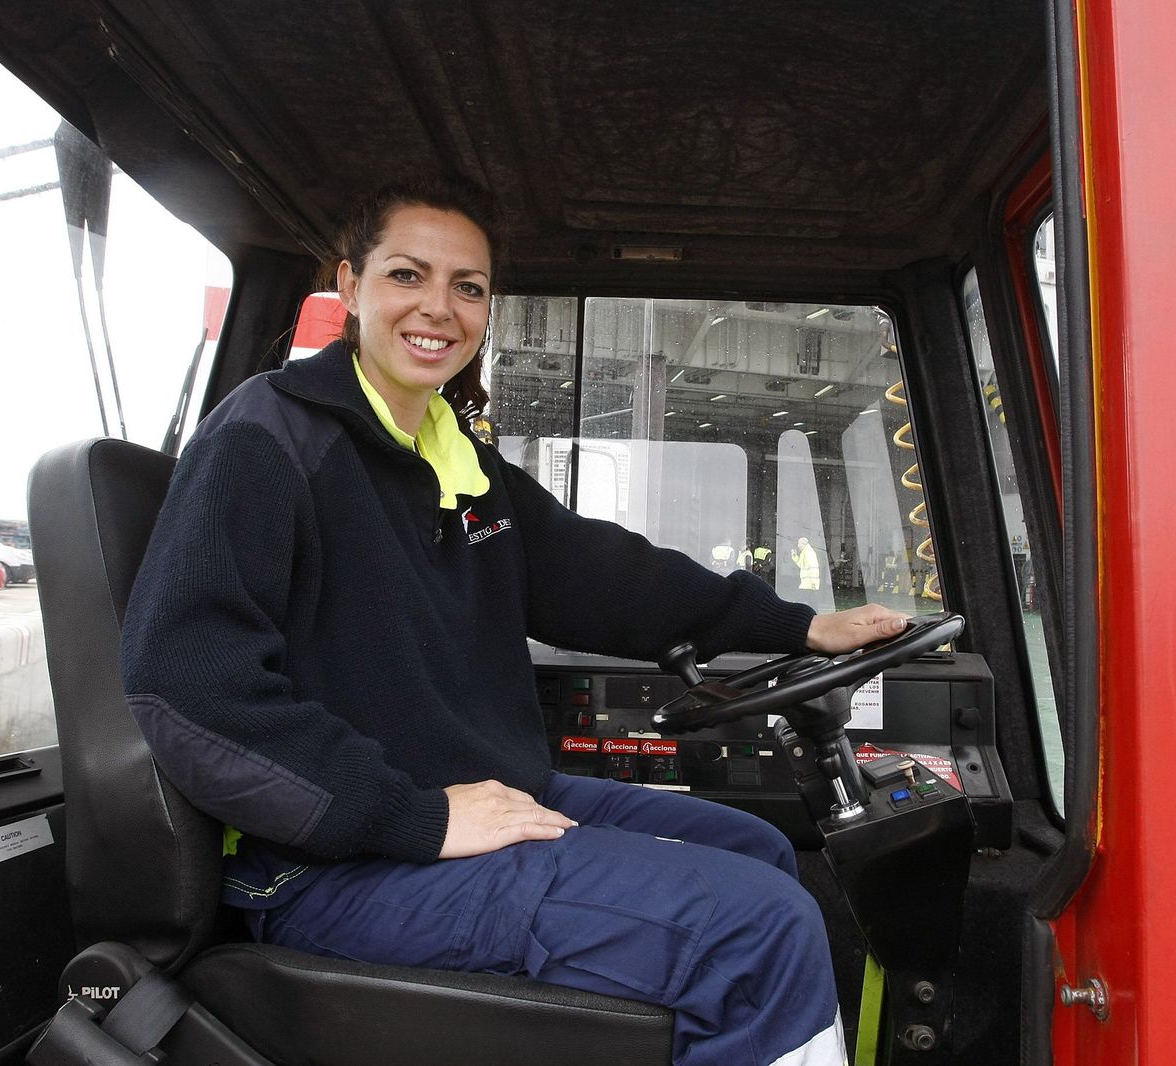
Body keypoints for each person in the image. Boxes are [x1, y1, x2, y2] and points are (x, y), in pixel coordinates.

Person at [120, 178, 909, 1066]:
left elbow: (608, 578)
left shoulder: (455, 460)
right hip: (329, 867)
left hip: (472, 798)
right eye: (407, 274)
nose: (439, 308)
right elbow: (186, 689)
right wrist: (413, 819)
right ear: (350, 284)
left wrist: (799, 626)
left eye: (469, 287)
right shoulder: (267, 439)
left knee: (756, 849)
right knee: (758, 933)